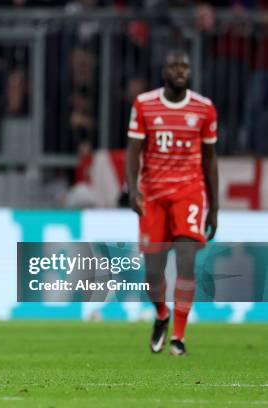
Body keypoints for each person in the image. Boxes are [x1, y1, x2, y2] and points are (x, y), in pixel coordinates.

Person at [125, 50, 219, 356]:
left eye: (185, 67)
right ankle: (162, 315)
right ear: (163, 71)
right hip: (153, 196)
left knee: (186, 262)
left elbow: (209, 159)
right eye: (174, 66)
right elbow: (133, 150)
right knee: (153, 272)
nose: (180, 71)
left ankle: (179, 336)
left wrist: (214, 207)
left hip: (189, 194)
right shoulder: (144, 104)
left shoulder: (204, 109)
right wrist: (133, 189)